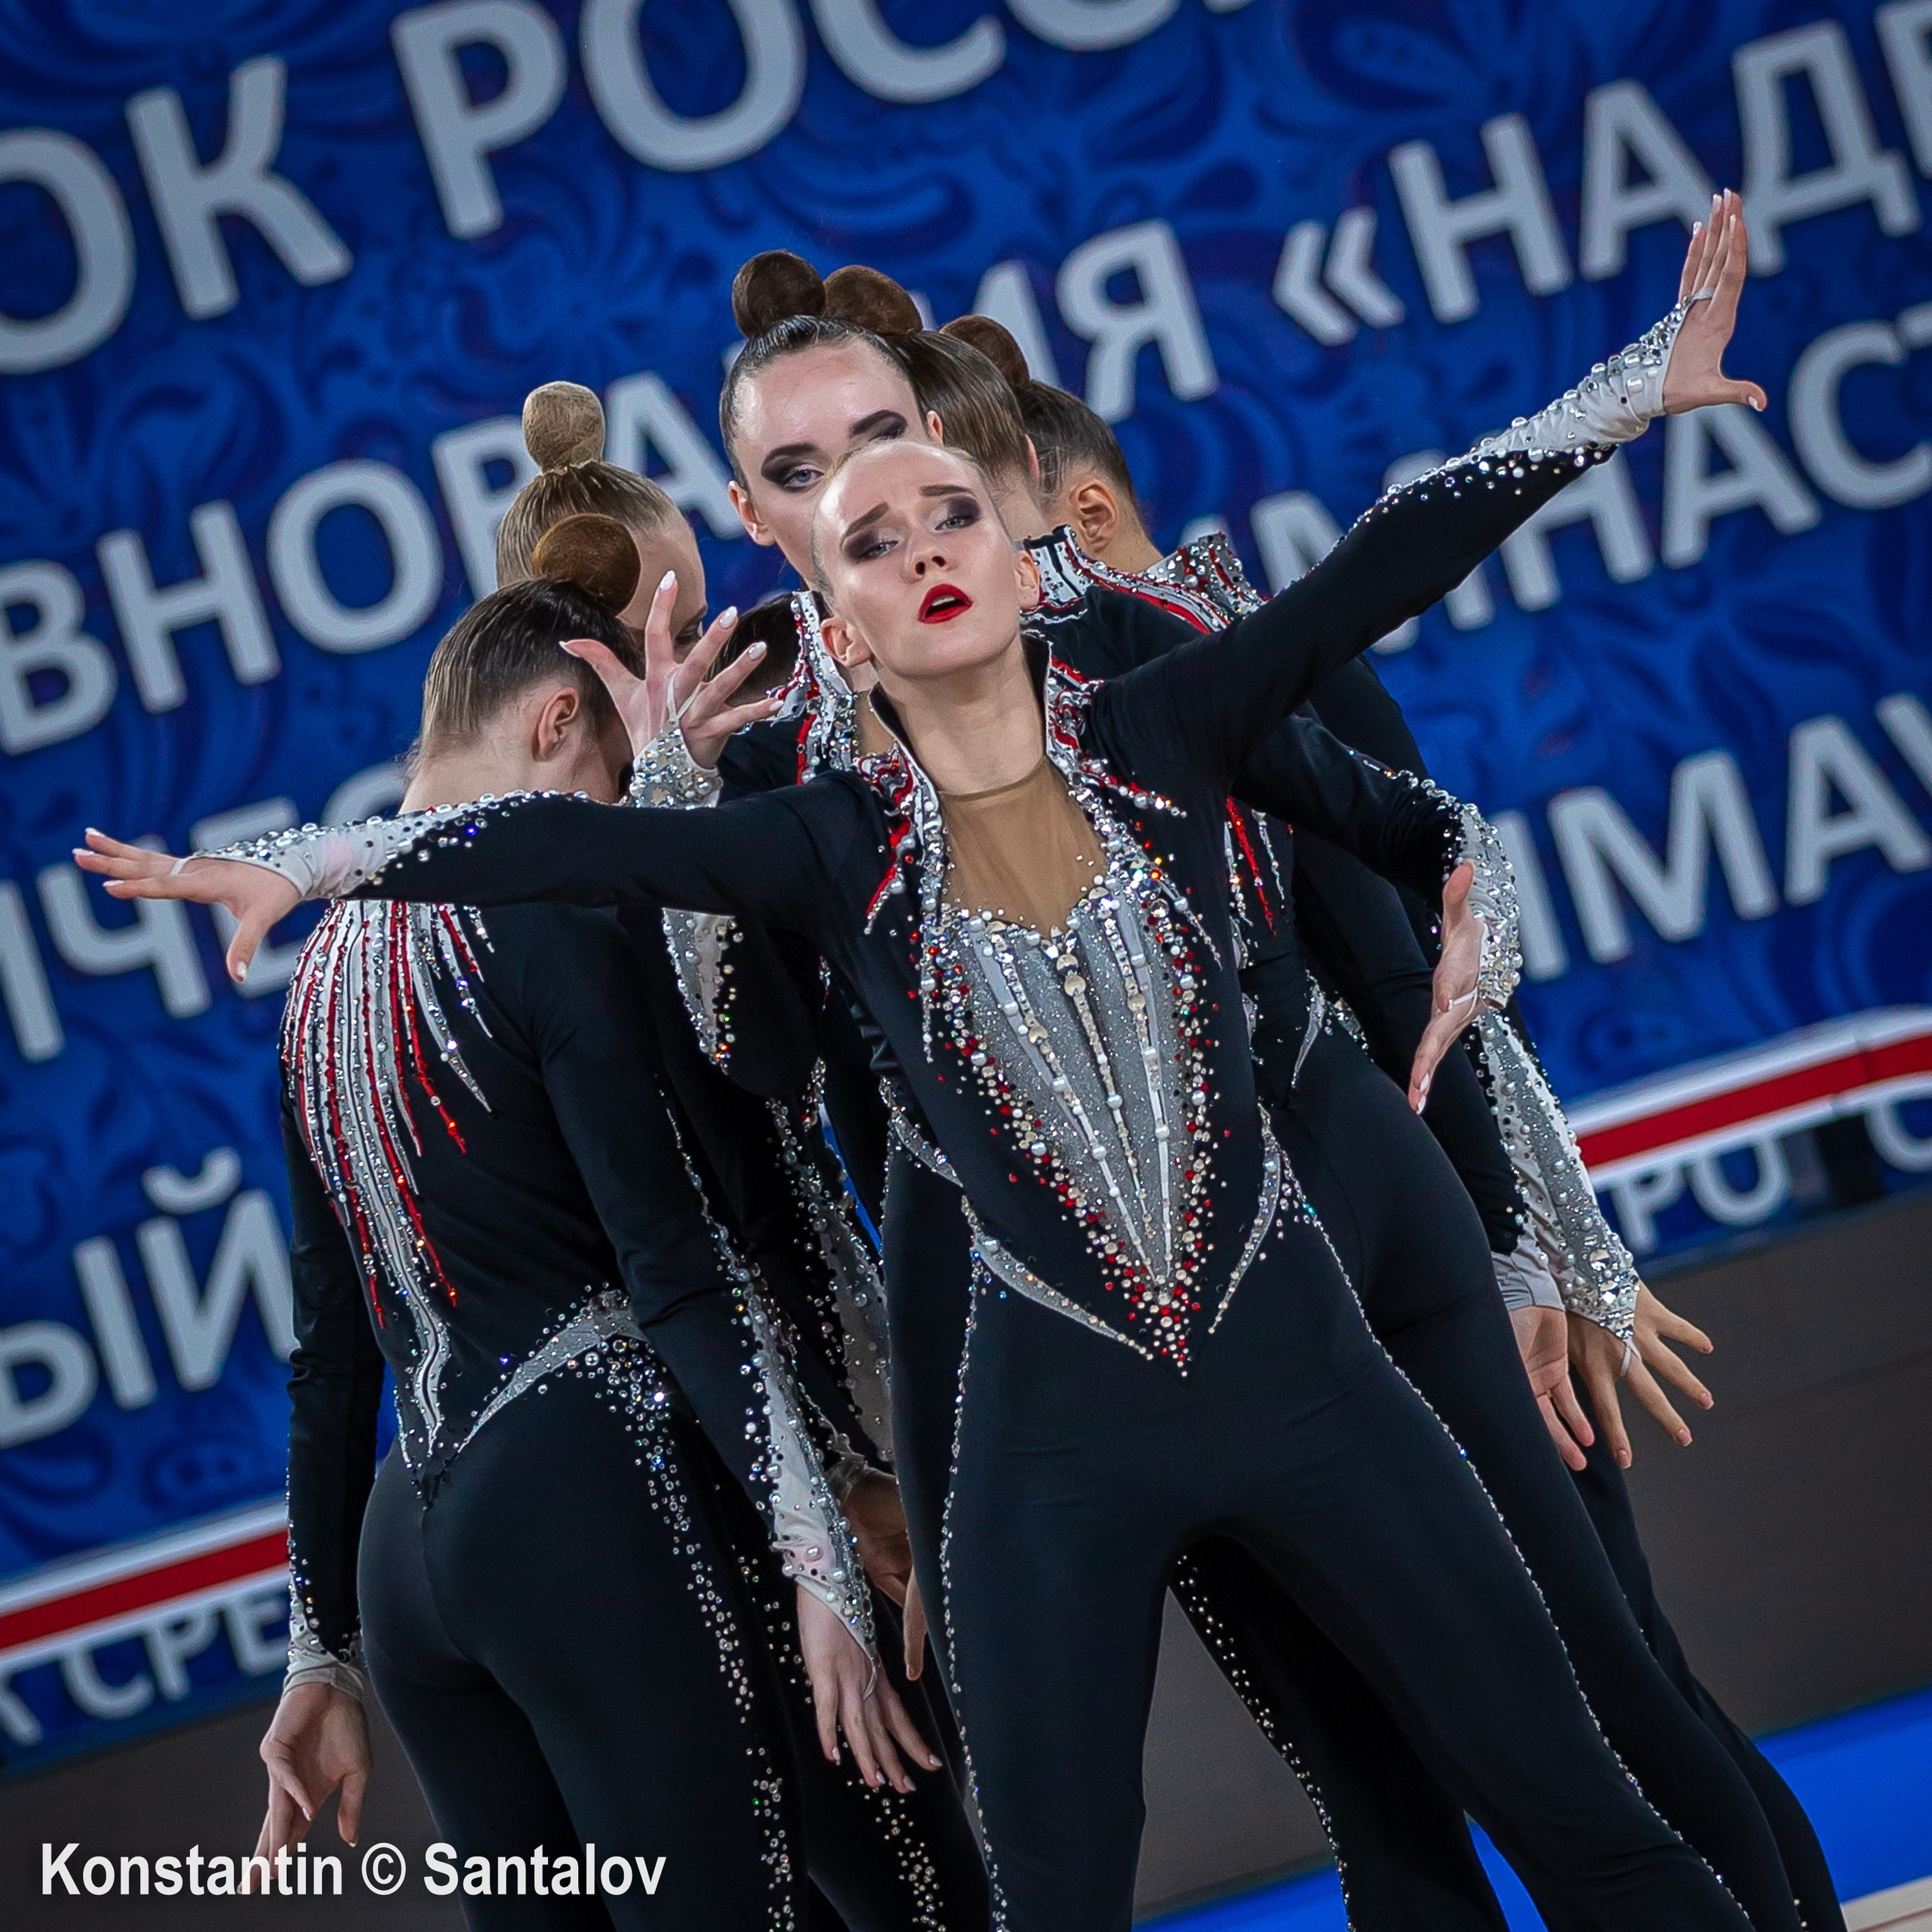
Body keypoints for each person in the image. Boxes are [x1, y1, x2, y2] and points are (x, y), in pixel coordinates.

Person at [88, 296, 1770, 1924]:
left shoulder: (1159, 714)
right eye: (866, 537)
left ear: (1010, 532)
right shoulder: (818, 834)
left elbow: (1382, 564)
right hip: (1052, 1438)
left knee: (1581, 1800)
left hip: (1306, 1366)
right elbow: (552, 849)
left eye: (940, 499)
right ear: (828, 608)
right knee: (1059, 1895)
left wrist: (1627, 392)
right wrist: (305, 862)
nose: (922, 547)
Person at [704, 232, 1827, 1931]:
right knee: (1365, 1786)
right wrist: (881, 1492)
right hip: (1082, 1323)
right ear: (755, 515)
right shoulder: (770, 776)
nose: (862, 488)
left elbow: (1407, 859)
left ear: (949, 445)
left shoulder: (1150, 648)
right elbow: (808, 1114)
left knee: (1597, 1689)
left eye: (884, 442)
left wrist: (1540, 1237)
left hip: (1346, 1211)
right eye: (805, 473)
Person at [233, 516, 987, 1931]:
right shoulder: (546, 907)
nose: (620, 815)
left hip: (415, 1558)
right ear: (553, 720)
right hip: (593, 1495)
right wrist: (821, 1551)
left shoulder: (314, 978)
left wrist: (318, 1655)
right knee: (917, 1902)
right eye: (605, 774)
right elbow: (679, 1269)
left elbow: (331, 1358)